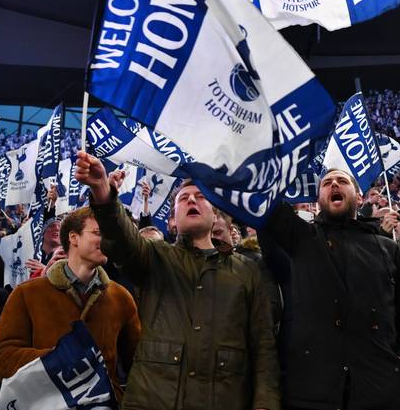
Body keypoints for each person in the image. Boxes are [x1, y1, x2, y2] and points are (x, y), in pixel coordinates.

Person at [75, 152, 279, 410]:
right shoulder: (154, 257)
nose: (192, 200)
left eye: (201, 197)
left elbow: (264, 346)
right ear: (172, 221)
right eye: (184, 198)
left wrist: (265, 404)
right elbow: (122, 240)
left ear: (215, 216)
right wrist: (103, 192)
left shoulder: (249, 271)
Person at [261, 169, 400, 410]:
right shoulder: (301, 238)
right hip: (313, 393)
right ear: (318, 199)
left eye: (342, 181)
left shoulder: (388, 248)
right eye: (327, 183)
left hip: (379, 390)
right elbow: (265, 206)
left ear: (358, 197)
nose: (334, 185)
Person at [0, 206, 142, 402]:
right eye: (98, 232)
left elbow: (139, 365)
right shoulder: (27, 293)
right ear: (73, 238)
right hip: (42, 404)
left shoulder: (121, 297)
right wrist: (58, 359)